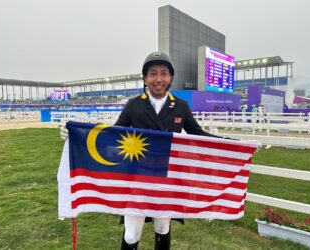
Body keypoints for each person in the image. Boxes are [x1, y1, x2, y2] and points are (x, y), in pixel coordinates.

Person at [61, 51, 219, 250]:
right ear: (145, 78)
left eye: (163, 73)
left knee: (163, 226)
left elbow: (199, 135)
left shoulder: (180, 106)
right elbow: (113, 135)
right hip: (137, 178)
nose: (158, 79)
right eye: (153, 73)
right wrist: (78, 135)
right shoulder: (133, 105)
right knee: (131, 232)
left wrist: (237, 144)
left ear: (171, 77)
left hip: (166, 178)